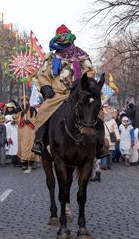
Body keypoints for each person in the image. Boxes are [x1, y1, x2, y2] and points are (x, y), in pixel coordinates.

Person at [31, 25, 109, 160]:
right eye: (60, 36)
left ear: (70, 37)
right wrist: (45, 86)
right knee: (43, 111)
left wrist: (84, 86)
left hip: (79, 94)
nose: (62, 38)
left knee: (99, 113)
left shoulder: (82, 55)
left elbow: (90, 72)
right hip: (57, 95)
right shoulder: (51, 57)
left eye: (65, 35)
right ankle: (40, 141)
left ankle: (100, 145)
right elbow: (43, 74)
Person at [18, 96, 39, 170]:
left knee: (31, 145)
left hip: (31, 130)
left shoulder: (33, 110)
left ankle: (33, 162)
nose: (24, 102)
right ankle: (24, 162)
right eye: (23, 101)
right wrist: (22, 116)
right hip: (23, 131)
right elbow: (16, 120)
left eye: (26, 101)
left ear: (28, 101)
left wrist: (29, 121)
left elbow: (37, 119)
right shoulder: (19, 110)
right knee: (23, 145)